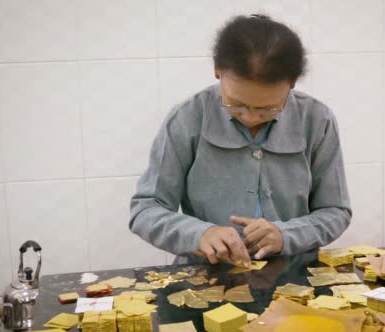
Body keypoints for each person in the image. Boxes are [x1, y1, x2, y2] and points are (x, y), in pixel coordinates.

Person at [129, 14, 351, 266]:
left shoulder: (316, 119)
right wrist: (200, 234)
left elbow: (335, 211)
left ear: (291, 83)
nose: (251, 116)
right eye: (236, 104)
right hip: (206, 279)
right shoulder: (187, 118)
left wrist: (286, 235)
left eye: (269, 108)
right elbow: (146, 210)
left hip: (294, 279)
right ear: (217, 70)